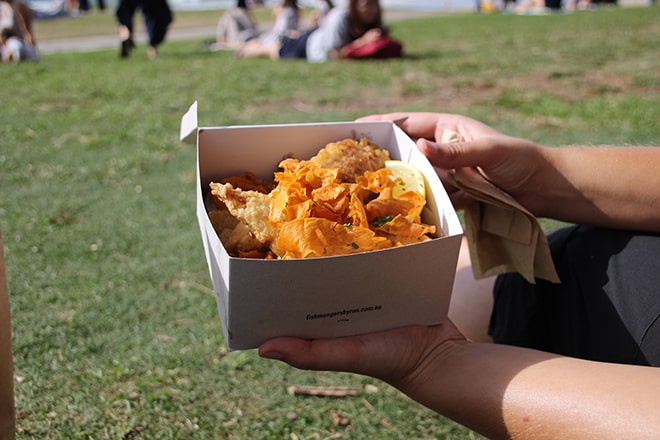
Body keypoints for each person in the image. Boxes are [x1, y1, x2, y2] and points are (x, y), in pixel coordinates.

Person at [258, 112, 660, 438]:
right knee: (457, 274)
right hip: (576, 262)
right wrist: (539, 175)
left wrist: (435, 362)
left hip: (585, 350)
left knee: (449, 283)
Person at [237, 0, 385, 63]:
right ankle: (246, 50)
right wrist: (363, 42)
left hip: (313, 38)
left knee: (277, 44)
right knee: (276, 50)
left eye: (374, 4)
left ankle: (250, 45)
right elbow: (334, 53)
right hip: (310, 45)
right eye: (366, 4)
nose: (371, 10)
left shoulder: (372, 23)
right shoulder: (341, 17)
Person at [235, 0, 300, 58]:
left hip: (279, 35)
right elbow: (284, 28)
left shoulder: (282, 9)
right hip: (280, 36)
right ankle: (244, 50)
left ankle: (243, 50)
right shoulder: (289, 10)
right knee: (261, 43)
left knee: (259, 43)